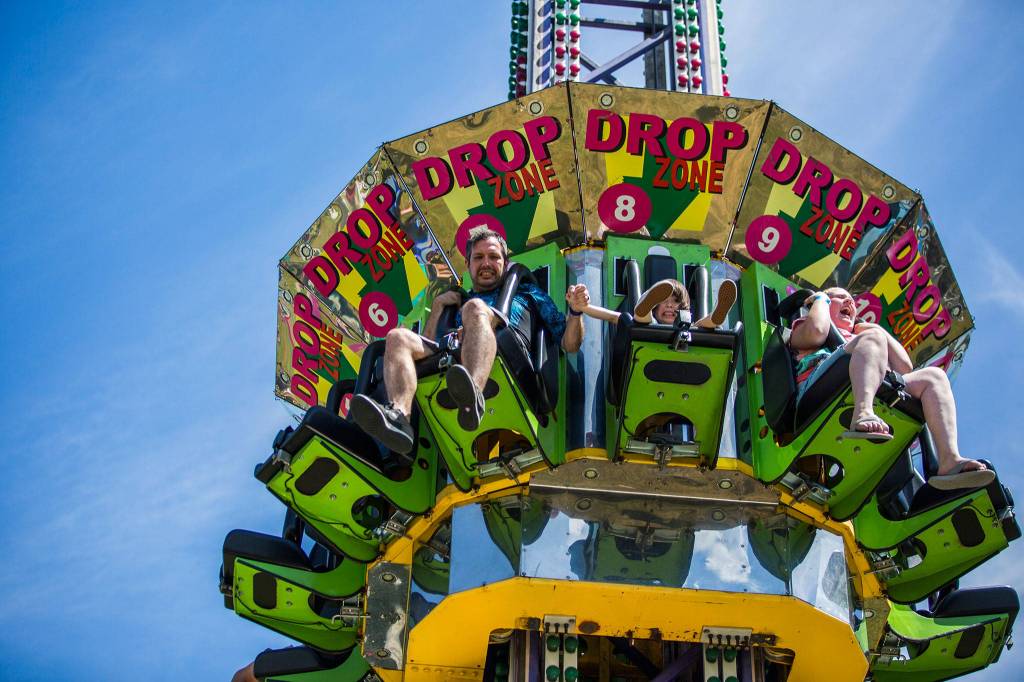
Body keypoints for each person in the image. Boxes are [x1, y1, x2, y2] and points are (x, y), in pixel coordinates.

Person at [349, 226, 586, 454]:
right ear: (469, 264)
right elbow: (427, 344)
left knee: (475, 309)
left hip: (510, 353)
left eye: (494, 257)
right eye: (478, 257)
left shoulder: (527, 293)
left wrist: (575, 312)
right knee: (396, 337)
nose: (486, 263)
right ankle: (400, 418)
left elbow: (569, 344)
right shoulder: (459, 303)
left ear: (505, 262)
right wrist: (439, 305)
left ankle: (473, 392)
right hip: (454, 351)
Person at [788, 287, 994, 491]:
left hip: (870, 385)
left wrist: (877, 331)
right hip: (816, 394)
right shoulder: (806, 325)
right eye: (840, 297)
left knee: (934, 376)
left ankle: (949, 461)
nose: (850, 303)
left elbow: (904, 368)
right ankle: (863, 413)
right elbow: (816, 332)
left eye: (852, 301)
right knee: (871, 342)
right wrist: (820, 300)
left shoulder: (867, 336)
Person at [576, 277, 737, 328]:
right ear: (656, 308)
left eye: (675, 302)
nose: (669, 305)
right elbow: (611, 316)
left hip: (683, 346)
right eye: (664, 301)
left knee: (698, 328)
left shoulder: (687, 329)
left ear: (682, 308)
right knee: (635, 321)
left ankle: (716, 317)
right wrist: (585, 307)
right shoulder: (652, 321)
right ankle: (644, 306)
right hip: (647, 336)